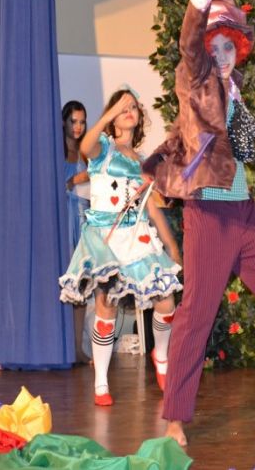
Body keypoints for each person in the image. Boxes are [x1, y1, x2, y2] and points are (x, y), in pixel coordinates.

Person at [142, 0, 255, 446]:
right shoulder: (196, 80)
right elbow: (190, 46)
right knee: (197, 314)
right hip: (210, 212)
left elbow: (244, 151)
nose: (221, 53)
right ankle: (175, 418)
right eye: (214, 45)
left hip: (245, 213)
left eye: (228, 46)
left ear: (238, 49)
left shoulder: (235, 90)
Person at [59, 87, 182, 406]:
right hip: (105, 236)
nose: (128, 111)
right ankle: (101, 382)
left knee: (166, 300)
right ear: (112, 116)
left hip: (136, 236)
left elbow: (151, 207)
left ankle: (162, 356)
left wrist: (171, 244)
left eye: (133, 108)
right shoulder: (102, 146)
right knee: (106, 302)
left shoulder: (142, 162)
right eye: (122, 107)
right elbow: (84, 146)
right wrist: (110, 113)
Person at [62, 100, 92, 364]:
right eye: (74, 121)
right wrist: (72, 181)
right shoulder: (56, 151)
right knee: (62, 283)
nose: (78, 127)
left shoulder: (87, 152)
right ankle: (58, 347)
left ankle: (76, 348)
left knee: (81, 285)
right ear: (64, 122)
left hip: (83, 221)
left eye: (82, 121)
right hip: (62, 220)